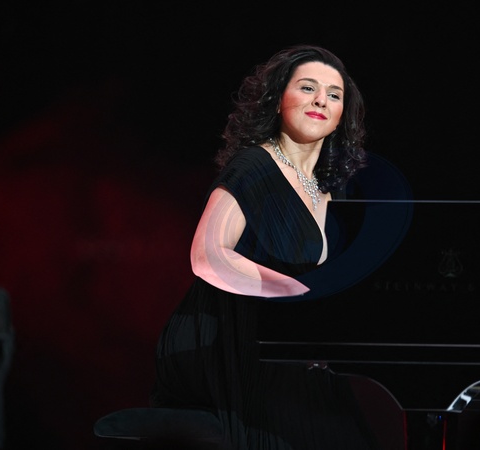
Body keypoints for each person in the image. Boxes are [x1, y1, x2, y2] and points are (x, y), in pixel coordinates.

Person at [150, 44, 392, 450]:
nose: (321, 100)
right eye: (308, 88)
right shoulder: (254, 165)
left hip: (283, 342)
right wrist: (295, 296)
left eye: (334, 95)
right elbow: (208, 255)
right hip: (224, 343)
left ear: (342, 115)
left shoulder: (331, 189)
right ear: (278, 99)